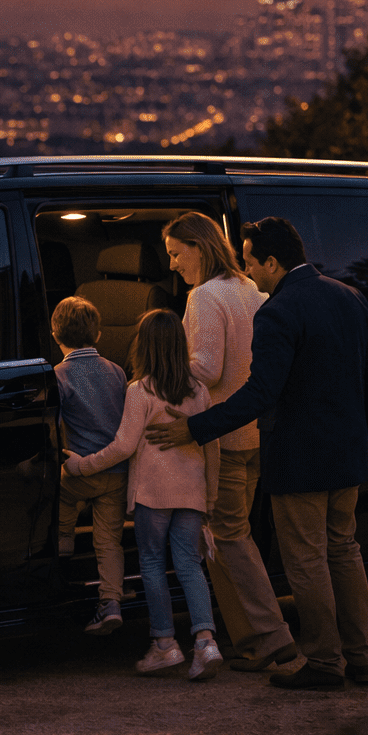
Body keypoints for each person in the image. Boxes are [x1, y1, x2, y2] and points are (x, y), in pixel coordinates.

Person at [146, 217, 368, 692]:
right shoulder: (350, 297)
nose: (248, 272)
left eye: (253, 262)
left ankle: (323, 661)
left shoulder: (278, 311)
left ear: (273, 262)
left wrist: (194, 428)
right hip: (348, 455)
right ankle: (362, 658)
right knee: (344, 550)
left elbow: (261, 394)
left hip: (300, 459)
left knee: (308, 561)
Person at [162, 212, 298, 672]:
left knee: (229, 537)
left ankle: (274, 637)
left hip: (222, 439)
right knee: (224, 539)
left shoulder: (205, 296)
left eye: (177, 253)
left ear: (199, 248)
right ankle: (249, 641)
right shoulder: (251, 291)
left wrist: (152, 376)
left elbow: (206, 368)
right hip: (256, 432)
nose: (174, 264)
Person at [64, 308, 222, 681]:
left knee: (152, 564)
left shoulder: (141, 390)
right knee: (189, 564)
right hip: (192, 493)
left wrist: (80, 466)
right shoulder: (198, 391)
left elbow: (122, 447)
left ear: (144, 346)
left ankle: (164, 644)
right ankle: (205, 641)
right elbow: (211, 445)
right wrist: (210, 497)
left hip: (153, 495)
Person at [50, 296, 129, 635]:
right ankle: (110, 602)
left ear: (55, 335)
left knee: (60, 495)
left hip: (79, 475)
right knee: (109, 540)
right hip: (115, 472)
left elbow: (54, 425)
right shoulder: (117, 371)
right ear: (98, 335)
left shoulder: (59, 376)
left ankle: (64, 539)